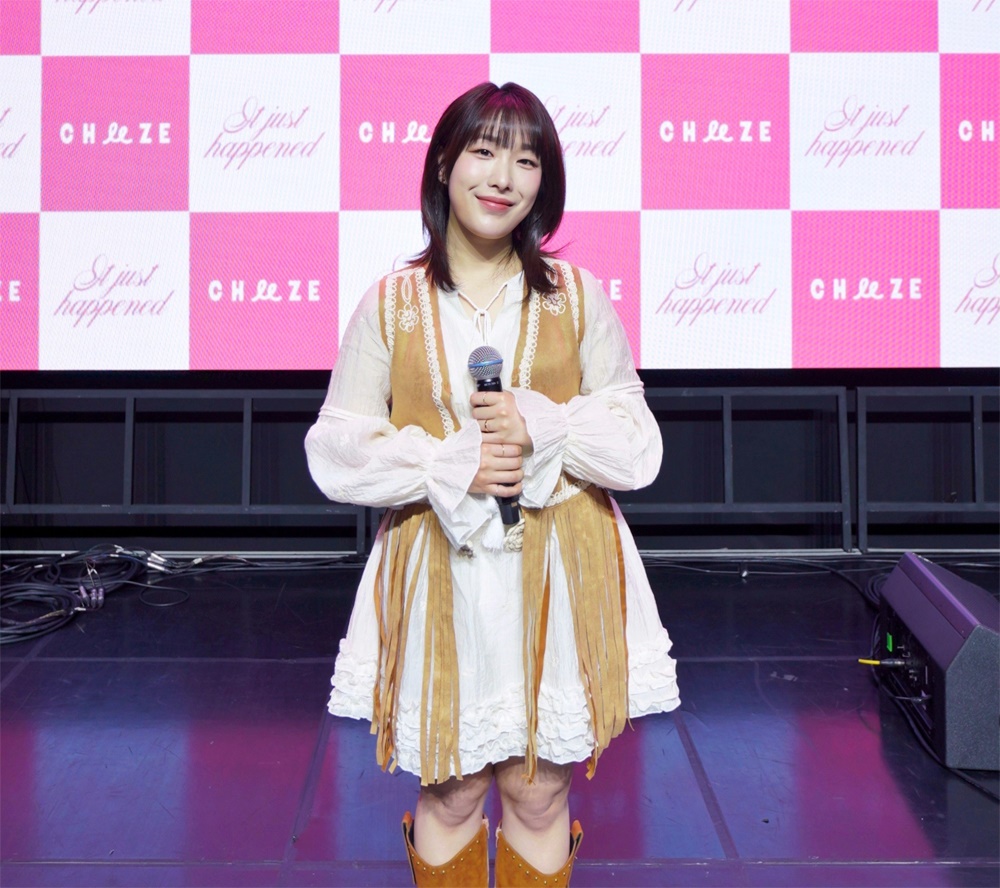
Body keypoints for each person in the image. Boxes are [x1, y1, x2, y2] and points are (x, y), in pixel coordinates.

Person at [305, 81, 680, 887]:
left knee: (539, 795)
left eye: (526, 160)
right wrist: (448, 464)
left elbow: (636, 444)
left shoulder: (576, 297)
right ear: (445, 164)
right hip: (442, 567)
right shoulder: (392, 304)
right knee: (451, 790)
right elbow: (335, 448)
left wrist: (546, 426)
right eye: (483, 152)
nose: (502, 177)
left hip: (559, 566)